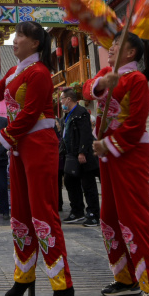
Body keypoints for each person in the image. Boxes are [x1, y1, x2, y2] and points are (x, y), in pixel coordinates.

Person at [0, 20, 75, 296]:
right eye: (16, 34)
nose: (15, 39)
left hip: (38, 147)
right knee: (20, 214)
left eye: (21, 35)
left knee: (43, 213)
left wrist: (2, 137)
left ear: (36, 43)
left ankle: (63, 287)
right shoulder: (15, 71)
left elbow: (31, 113)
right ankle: (23, 276)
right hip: (19, 148)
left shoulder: (40, 73)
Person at [85, 33, 149, 296]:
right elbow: (87, 89)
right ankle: (126, 278)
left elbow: (135, 125)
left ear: (131, 53)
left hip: (129, 153)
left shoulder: (136, 80)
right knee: (109, 217)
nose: (110, 49)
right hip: (108, 154)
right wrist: (102, 83)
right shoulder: (106, 74)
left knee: (135, 220)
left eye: (116, 46)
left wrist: (107, 144)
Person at [60, 88, 100, 227]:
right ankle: (77, 211)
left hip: (83, 155)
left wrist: (82, 151)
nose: (61, 102)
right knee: (70, 182)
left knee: (88, 185)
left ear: (68, 99)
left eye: (62, 99)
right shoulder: (67, 115)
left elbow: (85, 134)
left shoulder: (81, 113)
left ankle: (94, 214)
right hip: (71, 155)